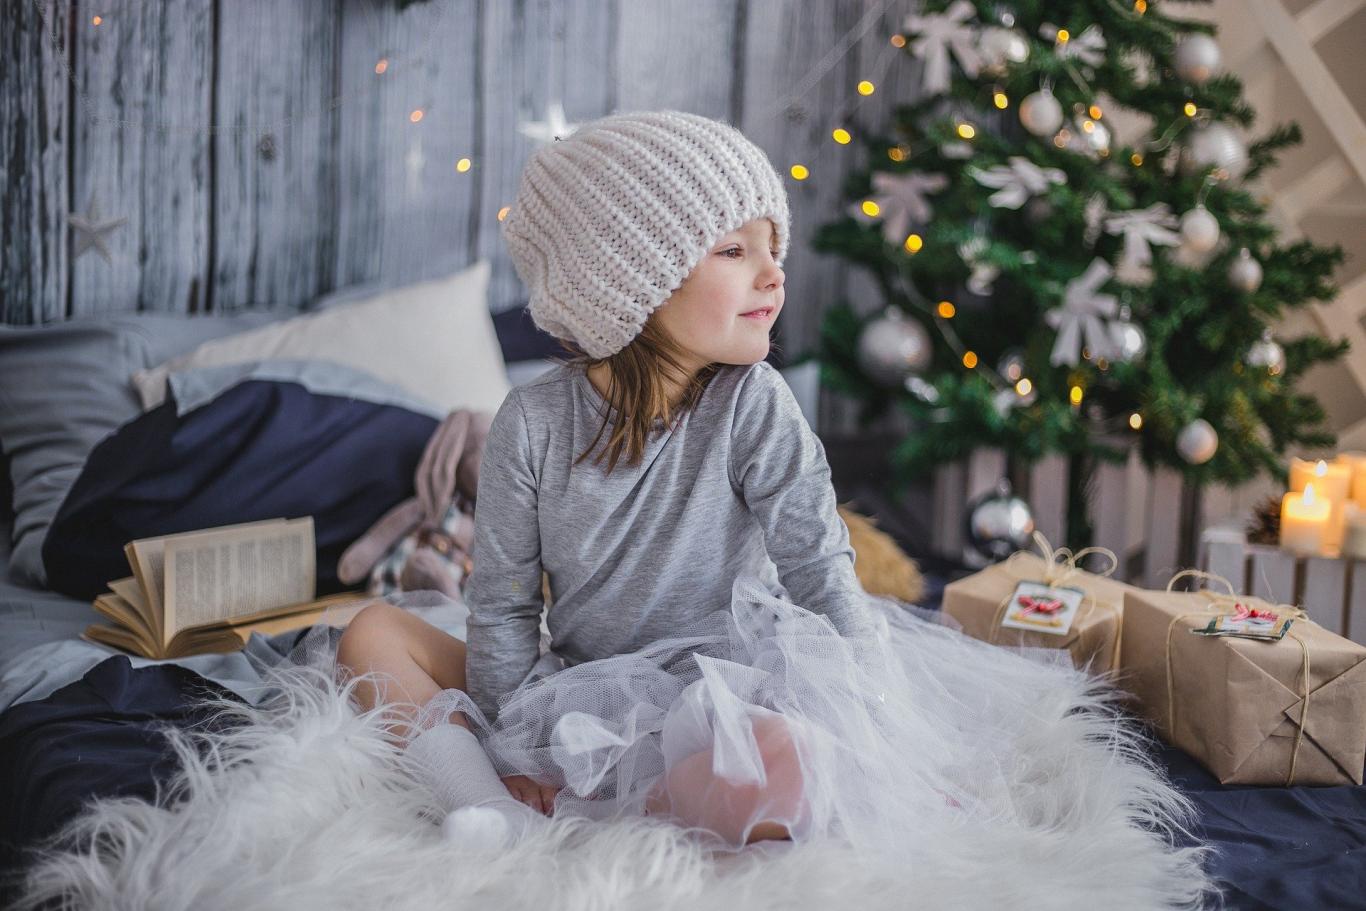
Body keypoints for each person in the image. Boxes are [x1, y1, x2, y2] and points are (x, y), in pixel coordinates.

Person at [333, 110, 1207, 879]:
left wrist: (879, 731)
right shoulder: (532, 421)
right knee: (370, 630)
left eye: (772, 247)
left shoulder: (753, 404)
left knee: (783, 756)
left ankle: (622, 816)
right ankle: (485, 803)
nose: (774, 274)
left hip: (727, 680)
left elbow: (822, 570)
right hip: (585, 679)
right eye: (735, 250)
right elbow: (504, 607)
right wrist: (524, 742)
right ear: (634, 279)